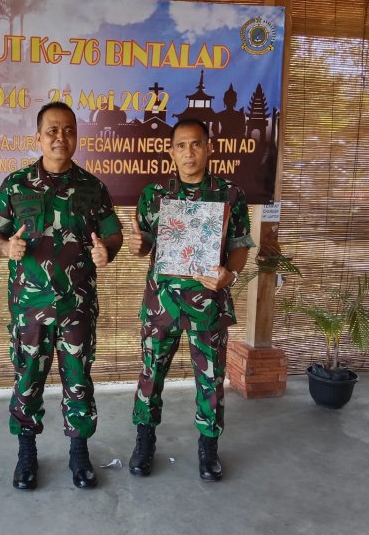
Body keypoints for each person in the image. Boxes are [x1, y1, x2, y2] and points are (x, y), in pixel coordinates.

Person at [0, 102, 123, 490]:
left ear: (76, 136)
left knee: (78, 379)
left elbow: (114, 234)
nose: (60, 138)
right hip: (29, 308)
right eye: (52, 130)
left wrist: (106, 251)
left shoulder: (93, 187)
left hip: (76, 307)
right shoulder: (15, 185)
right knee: (27, 378)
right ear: (38, 137)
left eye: (68, 130)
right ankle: (26, 452)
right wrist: (4, 249)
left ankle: (79, 451)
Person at [127, 118, 254, 481]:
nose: (188, 152)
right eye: (181, 145)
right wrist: (138, 247)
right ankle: (145, 441)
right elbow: (145, 244)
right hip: (162, 305)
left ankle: (208, 446)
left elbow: (240, 247)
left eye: (196, 144)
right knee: (151, 375)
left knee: (210, 380)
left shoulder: (230, 194)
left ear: (208, 148)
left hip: (208, 306)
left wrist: (230, 274)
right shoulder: (154, 195)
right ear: (171, 152)